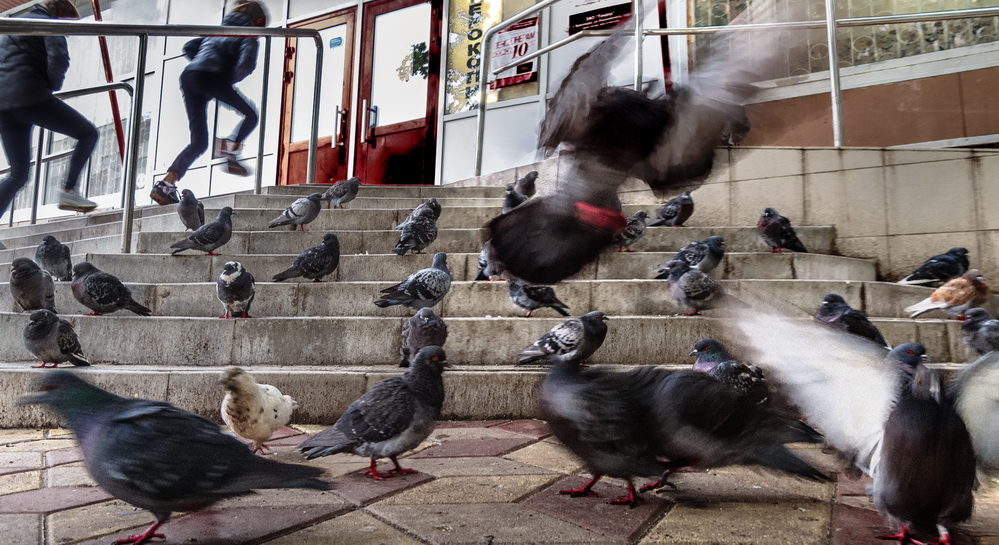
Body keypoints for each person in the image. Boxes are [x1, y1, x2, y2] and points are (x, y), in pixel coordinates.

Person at [157, 0, 266, 203]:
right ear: (257, 21)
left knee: (199, 142)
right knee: (251, 115)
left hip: (190, 77)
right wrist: (224, 79)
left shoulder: (219, 28)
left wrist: (201, 65)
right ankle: (229, 152)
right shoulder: (248, 35)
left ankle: (166, 184)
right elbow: (246, 65)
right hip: (211, 78)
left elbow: (189, 47)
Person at [0, 0, 100, 215]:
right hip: (31, 96)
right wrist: (52, 86)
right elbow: (58, 58)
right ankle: (69, 191)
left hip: (4, 106)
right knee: (88, 133)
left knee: (18, 174)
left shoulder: (14, 25)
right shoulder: (48, 23)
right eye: (67, 18)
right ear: (59, 10)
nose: (67, 24)